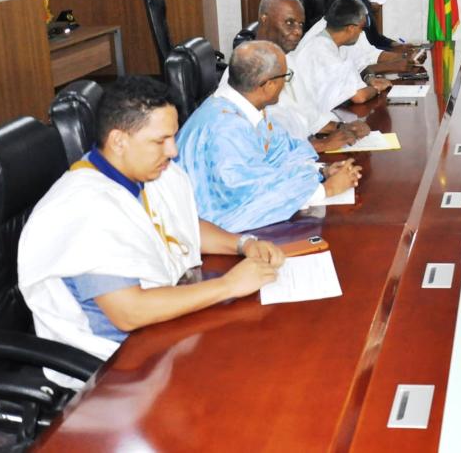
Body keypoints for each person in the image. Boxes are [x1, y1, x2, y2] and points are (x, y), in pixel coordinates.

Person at [18, 76, 287, 386]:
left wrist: (243, 244)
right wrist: (228, 285)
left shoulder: (142, 174)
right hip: (116, 365)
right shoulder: (86, 209)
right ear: (119, 141)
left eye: (173, 136)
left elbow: (182, 227)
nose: (173, 150)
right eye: (161, 141)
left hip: (161, 331)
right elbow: (129, 313)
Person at [176, 41, 362, 232]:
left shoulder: (244, 108)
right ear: (268, 85)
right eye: (286, 76)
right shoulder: (225, 128)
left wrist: (321, 171)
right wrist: (326, 190)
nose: (286, 83)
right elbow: (250, 198)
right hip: (209, 232)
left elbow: (280, 156)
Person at [243, 0, 367, 152]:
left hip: (303, 151)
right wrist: (321, 145)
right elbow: (258, 143)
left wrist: (342, 127)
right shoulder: (246, 70)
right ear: (264, 19)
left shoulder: (287, 60)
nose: (297, 31)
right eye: (289, 23)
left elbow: (308, 113)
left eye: (301, 25)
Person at [276, 0, 393, 138]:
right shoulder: (322, 51)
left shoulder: (329, 43)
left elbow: (359, 67)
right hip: (304, 133)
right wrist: (376, 88)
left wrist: (369, 79)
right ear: (351, 28)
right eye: (361, 28)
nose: (361, 32)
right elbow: (359, 96)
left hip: (316, 123)